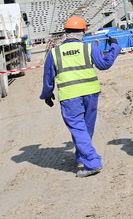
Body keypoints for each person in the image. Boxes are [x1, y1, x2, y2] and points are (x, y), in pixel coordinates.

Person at [40, 16, 121, 178]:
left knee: (78, 128)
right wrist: (115, 47)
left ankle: (92, 162)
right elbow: (104, 64)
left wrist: (47, 95)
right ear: (83, 31)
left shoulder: (54, 53)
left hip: (70, 97)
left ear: (66, 32)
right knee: (86, 127)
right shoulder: (89, 48)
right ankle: (81, 157)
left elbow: (48, 78)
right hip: (91, 93)